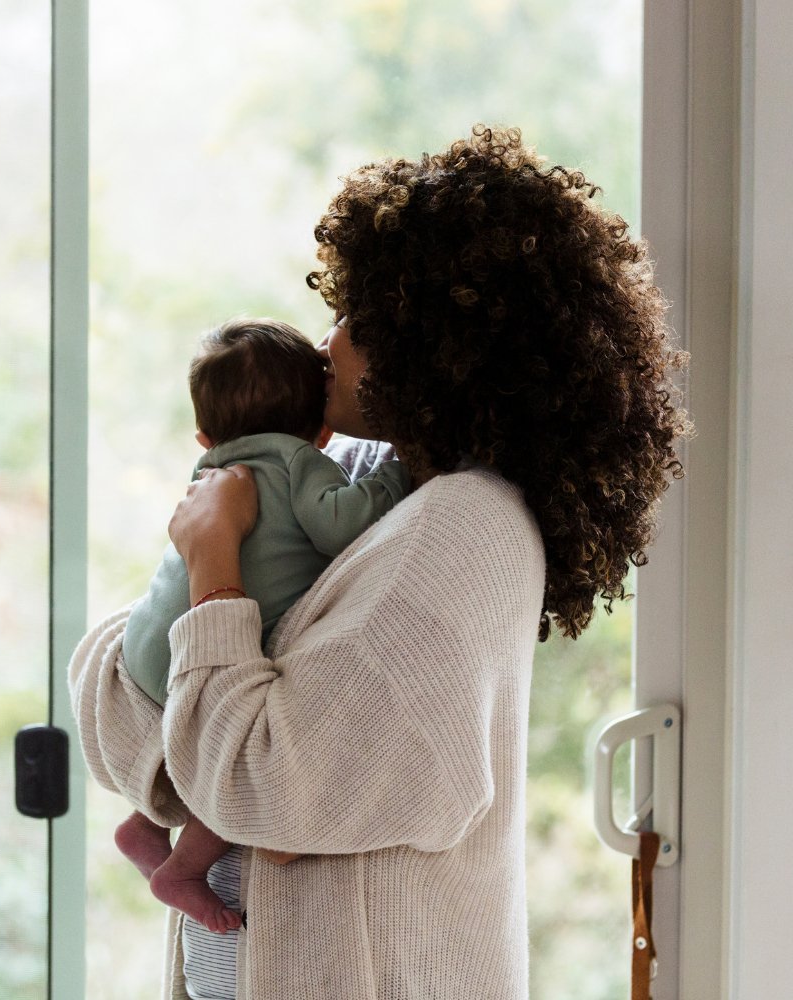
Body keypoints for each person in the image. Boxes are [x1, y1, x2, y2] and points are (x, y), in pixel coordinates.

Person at [69, 126, 690, 1000]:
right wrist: (221, 757)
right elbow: (107, 689)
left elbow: (259, 788)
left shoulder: (462, 534)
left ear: (442, 346)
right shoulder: (354, 484)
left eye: (359, 319)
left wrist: (211, 563)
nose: (328, 343)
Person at [113, 317, 409, 934]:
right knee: (231, 769)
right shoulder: (299, 459)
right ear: (321, 429)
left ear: (202, 435)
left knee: (186, 744)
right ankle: (182, 871)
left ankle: (145, 824)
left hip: (145, 645)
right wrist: (397, 472)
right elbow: (339, 525)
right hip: (208, 647)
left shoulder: (212, 470)